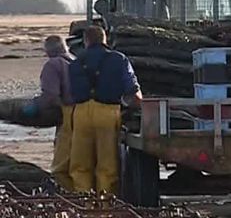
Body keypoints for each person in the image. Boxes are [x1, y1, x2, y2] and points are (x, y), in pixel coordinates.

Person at [68, 25, 142, 196]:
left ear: (86, 41)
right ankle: (105, 206)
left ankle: (83, 204)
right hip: (108, 112)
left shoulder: (75, 62)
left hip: (80, 113)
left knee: (80, 165)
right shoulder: (119, 59)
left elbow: (69, 92)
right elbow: (132, 90)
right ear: (105, 39)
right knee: (107, 165)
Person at [22, 36, 75, 191]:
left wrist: (35, 106)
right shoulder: (75, 61)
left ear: (49, 51)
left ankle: (68, 198)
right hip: (86, 113)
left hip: (67, 115)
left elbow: (51, 96)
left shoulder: (53, 65)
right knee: (80, 162)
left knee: (61, 166)